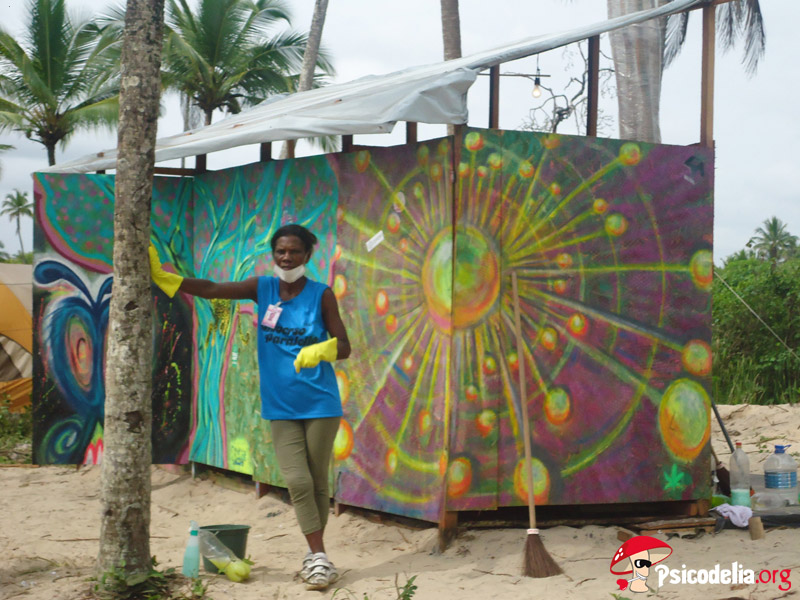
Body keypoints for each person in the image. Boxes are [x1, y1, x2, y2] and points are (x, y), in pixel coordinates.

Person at [148, 223, 351, 591]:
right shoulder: (263, 288)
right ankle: (318, 553)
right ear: (273, 254)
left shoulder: (321, 295)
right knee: (298, 480)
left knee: (317, 481)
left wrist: (322, 350)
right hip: (281, 406)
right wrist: (170, 280)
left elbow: (345, 345)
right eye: (280, 251)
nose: (286, 257)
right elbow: (213, 289)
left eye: (294, 251)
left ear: (307, 255)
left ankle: (316, 557)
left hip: (320, 404)